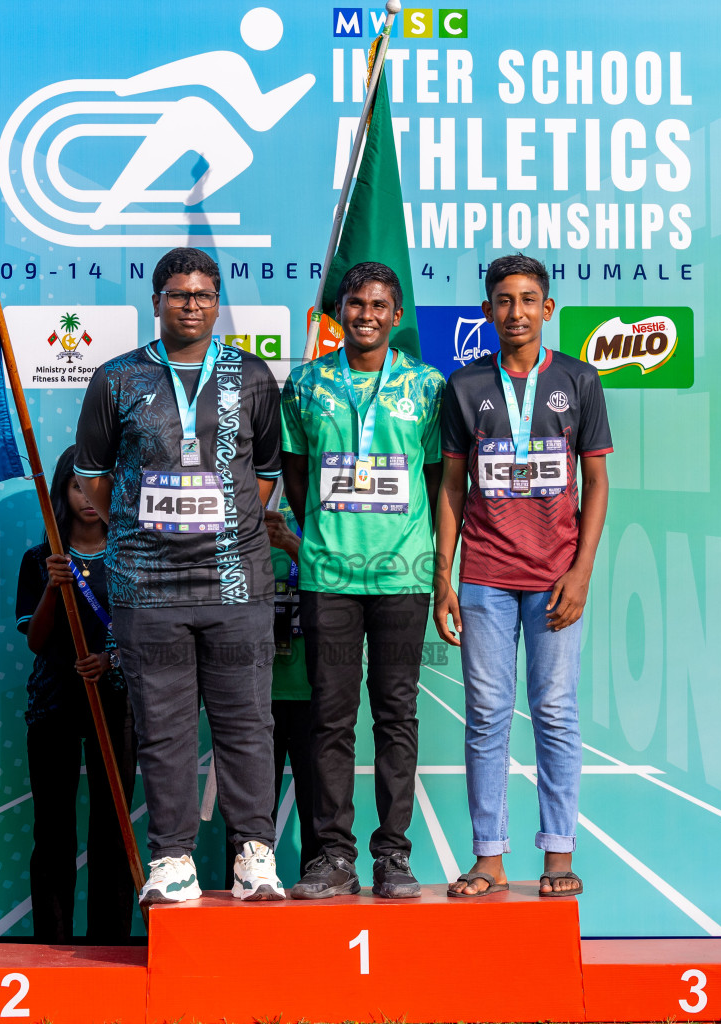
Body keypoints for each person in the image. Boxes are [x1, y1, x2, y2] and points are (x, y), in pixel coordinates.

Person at [74, 247, 285, 905]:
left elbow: (270, 476)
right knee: (162, 728)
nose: (189, 304)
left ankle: (255, 855)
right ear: (156, 300)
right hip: (147, 586)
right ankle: (173, 862)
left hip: (237, 584)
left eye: (201, 294)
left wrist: (224, 530)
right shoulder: (116, 379)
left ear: (216, 302)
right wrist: (144, 532)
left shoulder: (252, 376)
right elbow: (91, 483)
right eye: (177, 293)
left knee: (246, 724)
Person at [433, 253, 612, 898]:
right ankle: (489, 858)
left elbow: (595, 481)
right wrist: (443, 577)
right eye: (504, 300)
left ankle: (558, 858)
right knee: (486, 715)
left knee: (556, 711)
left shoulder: (579, 380)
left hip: (556, 578)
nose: (516, 312)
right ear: (487, 310)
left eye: (529, 299)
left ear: (548, 309)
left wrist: (582, 572)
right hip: (484, 575)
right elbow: (453, 484)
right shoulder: (465, 387)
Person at [280, 261, 445, 899]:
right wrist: (325, 531)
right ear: (339, 311)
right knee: (330, 717)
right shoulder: (306, 385)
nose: (366, 315)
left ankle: (393, 857)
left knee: (397, 715)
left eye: (379, 305)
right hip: (328, 574)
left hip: (403, 574)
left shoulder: (427, 386)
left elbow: (436, 480)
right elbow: (297, 478)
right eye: (355, 303)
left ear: (396, 315)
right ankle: (332, 857)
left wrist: (412, 540)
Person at [14, 446, 137, 940]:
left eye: (99, 485)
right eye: (77, 486)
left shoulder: (133, 556)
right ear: (61, 492)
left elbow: (151, 635)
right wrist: (52, 585)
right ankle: (52, 942)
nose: (88, 497)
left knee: (113, 830)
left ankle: (110, 943)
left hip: (117, 705)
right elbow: (36, 642)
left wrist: (112, 659)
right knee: (53, 830)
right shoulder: (39, 558)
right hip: (53, 706)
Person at [221, 494, 319, 883]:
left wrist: (293, 545)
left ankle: (320, 901)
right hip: (252, 693)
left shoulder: (322, 515)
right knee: (247, 820)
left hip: (314, 692)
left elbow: (342, 583)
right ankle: (241, 902)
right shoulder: (234, 516)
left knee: (319, 817)